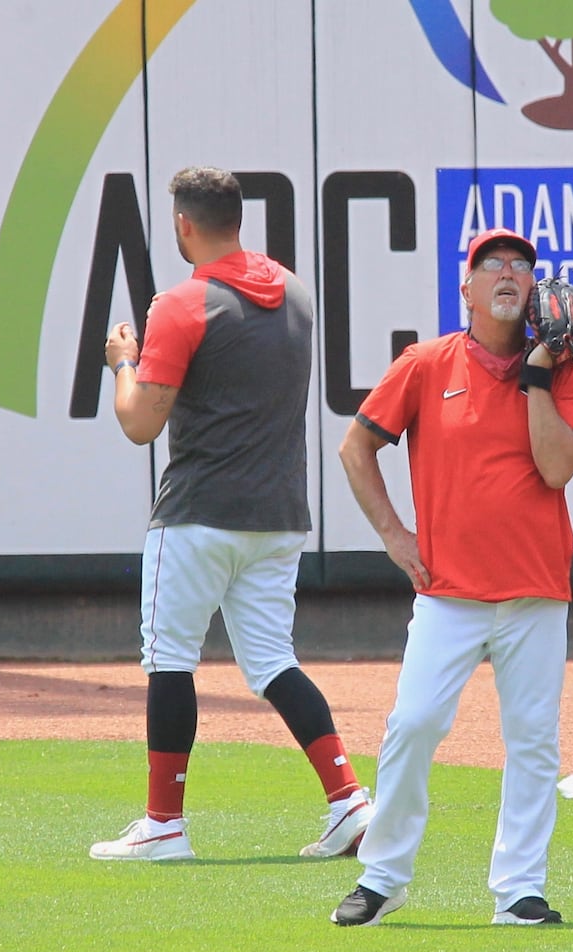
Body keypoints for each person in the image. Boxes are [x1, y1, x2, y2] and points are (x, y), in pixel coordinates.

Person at [90, 166, 373, 862]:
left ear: (185, 225)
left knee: (169, 659)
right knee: (274, 660)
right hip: (277, 515)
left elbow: (138, 424)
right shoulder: (296, 294)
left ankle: (163, 824)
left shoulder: (183, 306)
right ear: (237, 217)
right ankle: (348, 802)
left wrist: (125, 361)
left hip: (198, 514)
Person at [329, 228, 573, 927]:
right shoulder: (425, 362)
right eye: (491, 265)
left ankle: (519, 889)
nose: (507, 273)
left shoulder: (560, 370)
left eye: (520, 266)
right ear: (466, 289)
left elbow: (557, 467)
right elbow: (356, 447)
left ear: (534, 289)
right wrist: (392, 535)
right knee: (411, 725)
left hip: (535, 588)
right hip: (449, 593)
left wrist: (537, 373)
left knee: (533, 740)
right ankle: (382, 876)